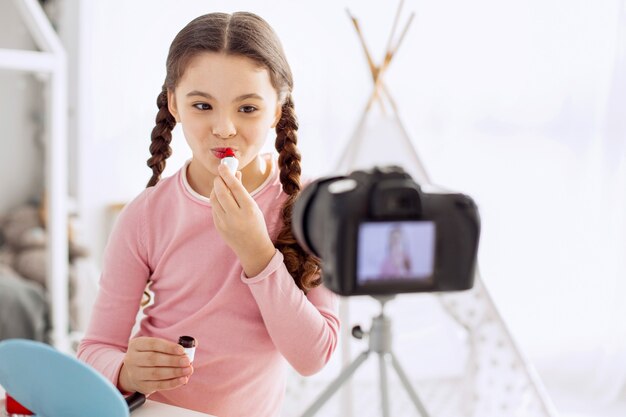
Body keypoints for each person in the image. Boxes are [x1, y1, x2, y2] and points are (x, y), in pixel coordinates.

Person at [77, 12, 339, 417]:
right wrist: (126, 373)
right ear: (173, 103)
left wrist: (255, 250)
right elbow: (94, 350)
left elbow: (314, 357)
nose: (223, 128)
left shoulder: (310, 208)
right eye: (202, 105)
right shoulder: (145, 216)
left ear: (277, 109)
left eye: (248, 108)